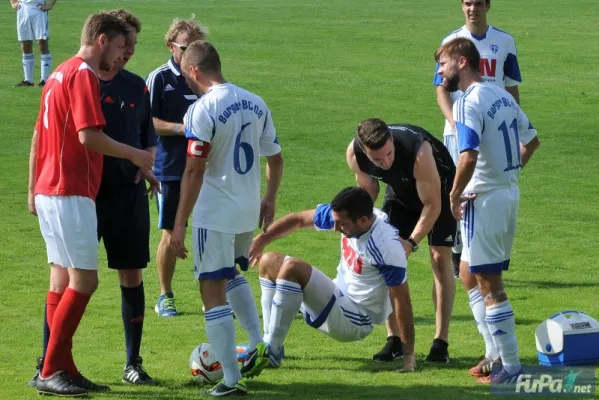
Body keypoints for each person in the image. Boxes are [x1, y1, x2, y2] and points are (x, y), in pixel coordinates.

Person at [26, 8, 159, 389]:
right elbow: (89, 136)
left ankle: (59, 366)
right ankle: (51, 369)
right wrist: (136, 155)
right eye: (120, 45)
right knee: (84, 282)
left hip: (50, 189)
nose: (124, 53)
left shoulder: (57, 73)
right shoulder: (83, 74)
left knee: (62, 279)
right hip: (71, 190)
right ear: (101, 40)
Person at [169, 41, 284, 396]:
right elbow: (275, 158)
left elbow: (193, 170)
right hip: (246, 210)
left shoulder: (201, 110)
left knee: (211, 289)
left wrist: (179, 222)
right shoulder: (255, 101)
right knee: (231, 273)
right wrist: (269, 199)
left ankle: (232, 380)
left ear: (193, 71)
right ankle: (258, 343)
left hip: (214, 213)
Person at [435, 37, 540, 383]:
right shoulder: (501, 97)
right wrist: (507, 174)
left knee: (490, 282)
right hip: (506, 195)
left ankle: (510, 366)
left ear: (462, 62)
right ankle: (493, 352)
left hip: (483, 199)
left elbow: (468, 155)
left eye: (444, 64)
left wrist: (454, 194)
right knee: (467, 271)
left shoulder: (468, 101)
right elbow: (532, 140)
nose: (440, 71)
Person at [250, 187, 416, 374]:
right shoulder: (350, 215)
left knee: (293, 267)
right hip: (335, 298)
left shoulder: (386, 246)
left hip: (354, 320)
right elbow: (298, 219)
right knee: (268, 261)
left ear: (363, 221)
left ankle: (270, 352)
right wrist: (263, 239)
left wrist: (408, 355)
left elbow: (402, 300)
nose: (335, 228)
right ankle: (269, 343)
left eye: (341, 224)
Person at [346, 119, 456, 363]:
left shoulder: (419, 151)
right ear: (365, 152)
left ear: (392, 141)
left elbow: (432, 205)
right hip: (400, 192)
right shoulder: (355, 155)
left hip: (440, 191)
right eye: (378, 160)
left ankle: (441, 342)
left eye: (389, 154)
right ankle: (394, 338)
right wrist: (362, 227)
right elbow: (368, 197)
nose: (385, 162)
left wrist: (412, 242)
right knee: (384, 257)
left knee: (439, 257)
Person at [433, 0, 523, 276]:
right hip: (461, 129)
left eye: (478, 3)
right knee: (457, 188)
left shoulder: (505, 41)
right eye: (467, 3)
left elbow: (511, 89)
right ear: (462, 6)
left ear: (488, 6)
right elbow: (441, 90)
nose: (473, 8)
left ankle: (475, 259)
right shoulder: (451, 42)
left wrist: (514, 125)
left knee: (478, 190)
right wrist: (456, 123)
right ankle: (458, 252)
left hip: (493, 127)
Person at [146, 17, 208, 317]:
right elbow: (148, 123)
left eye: (197, 47)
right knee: (171, 233)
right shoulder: (159, 78)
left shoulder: (204, 76)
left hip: (206, 168)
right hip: (170, 168)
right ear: (172, 47)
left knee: (212, 231)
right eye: (186, 47)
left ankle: (211, 295)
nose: (191, 53)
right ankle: (165, 294)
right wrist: (183, 129)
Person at [11, 0, 56, 86]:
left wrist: (50, 5)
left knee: (42, 43)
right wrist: (13, 2)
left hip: (38, 9)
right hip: (22, 8)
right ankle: (28, 80)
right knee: (25, 43)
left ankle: (45, 80)